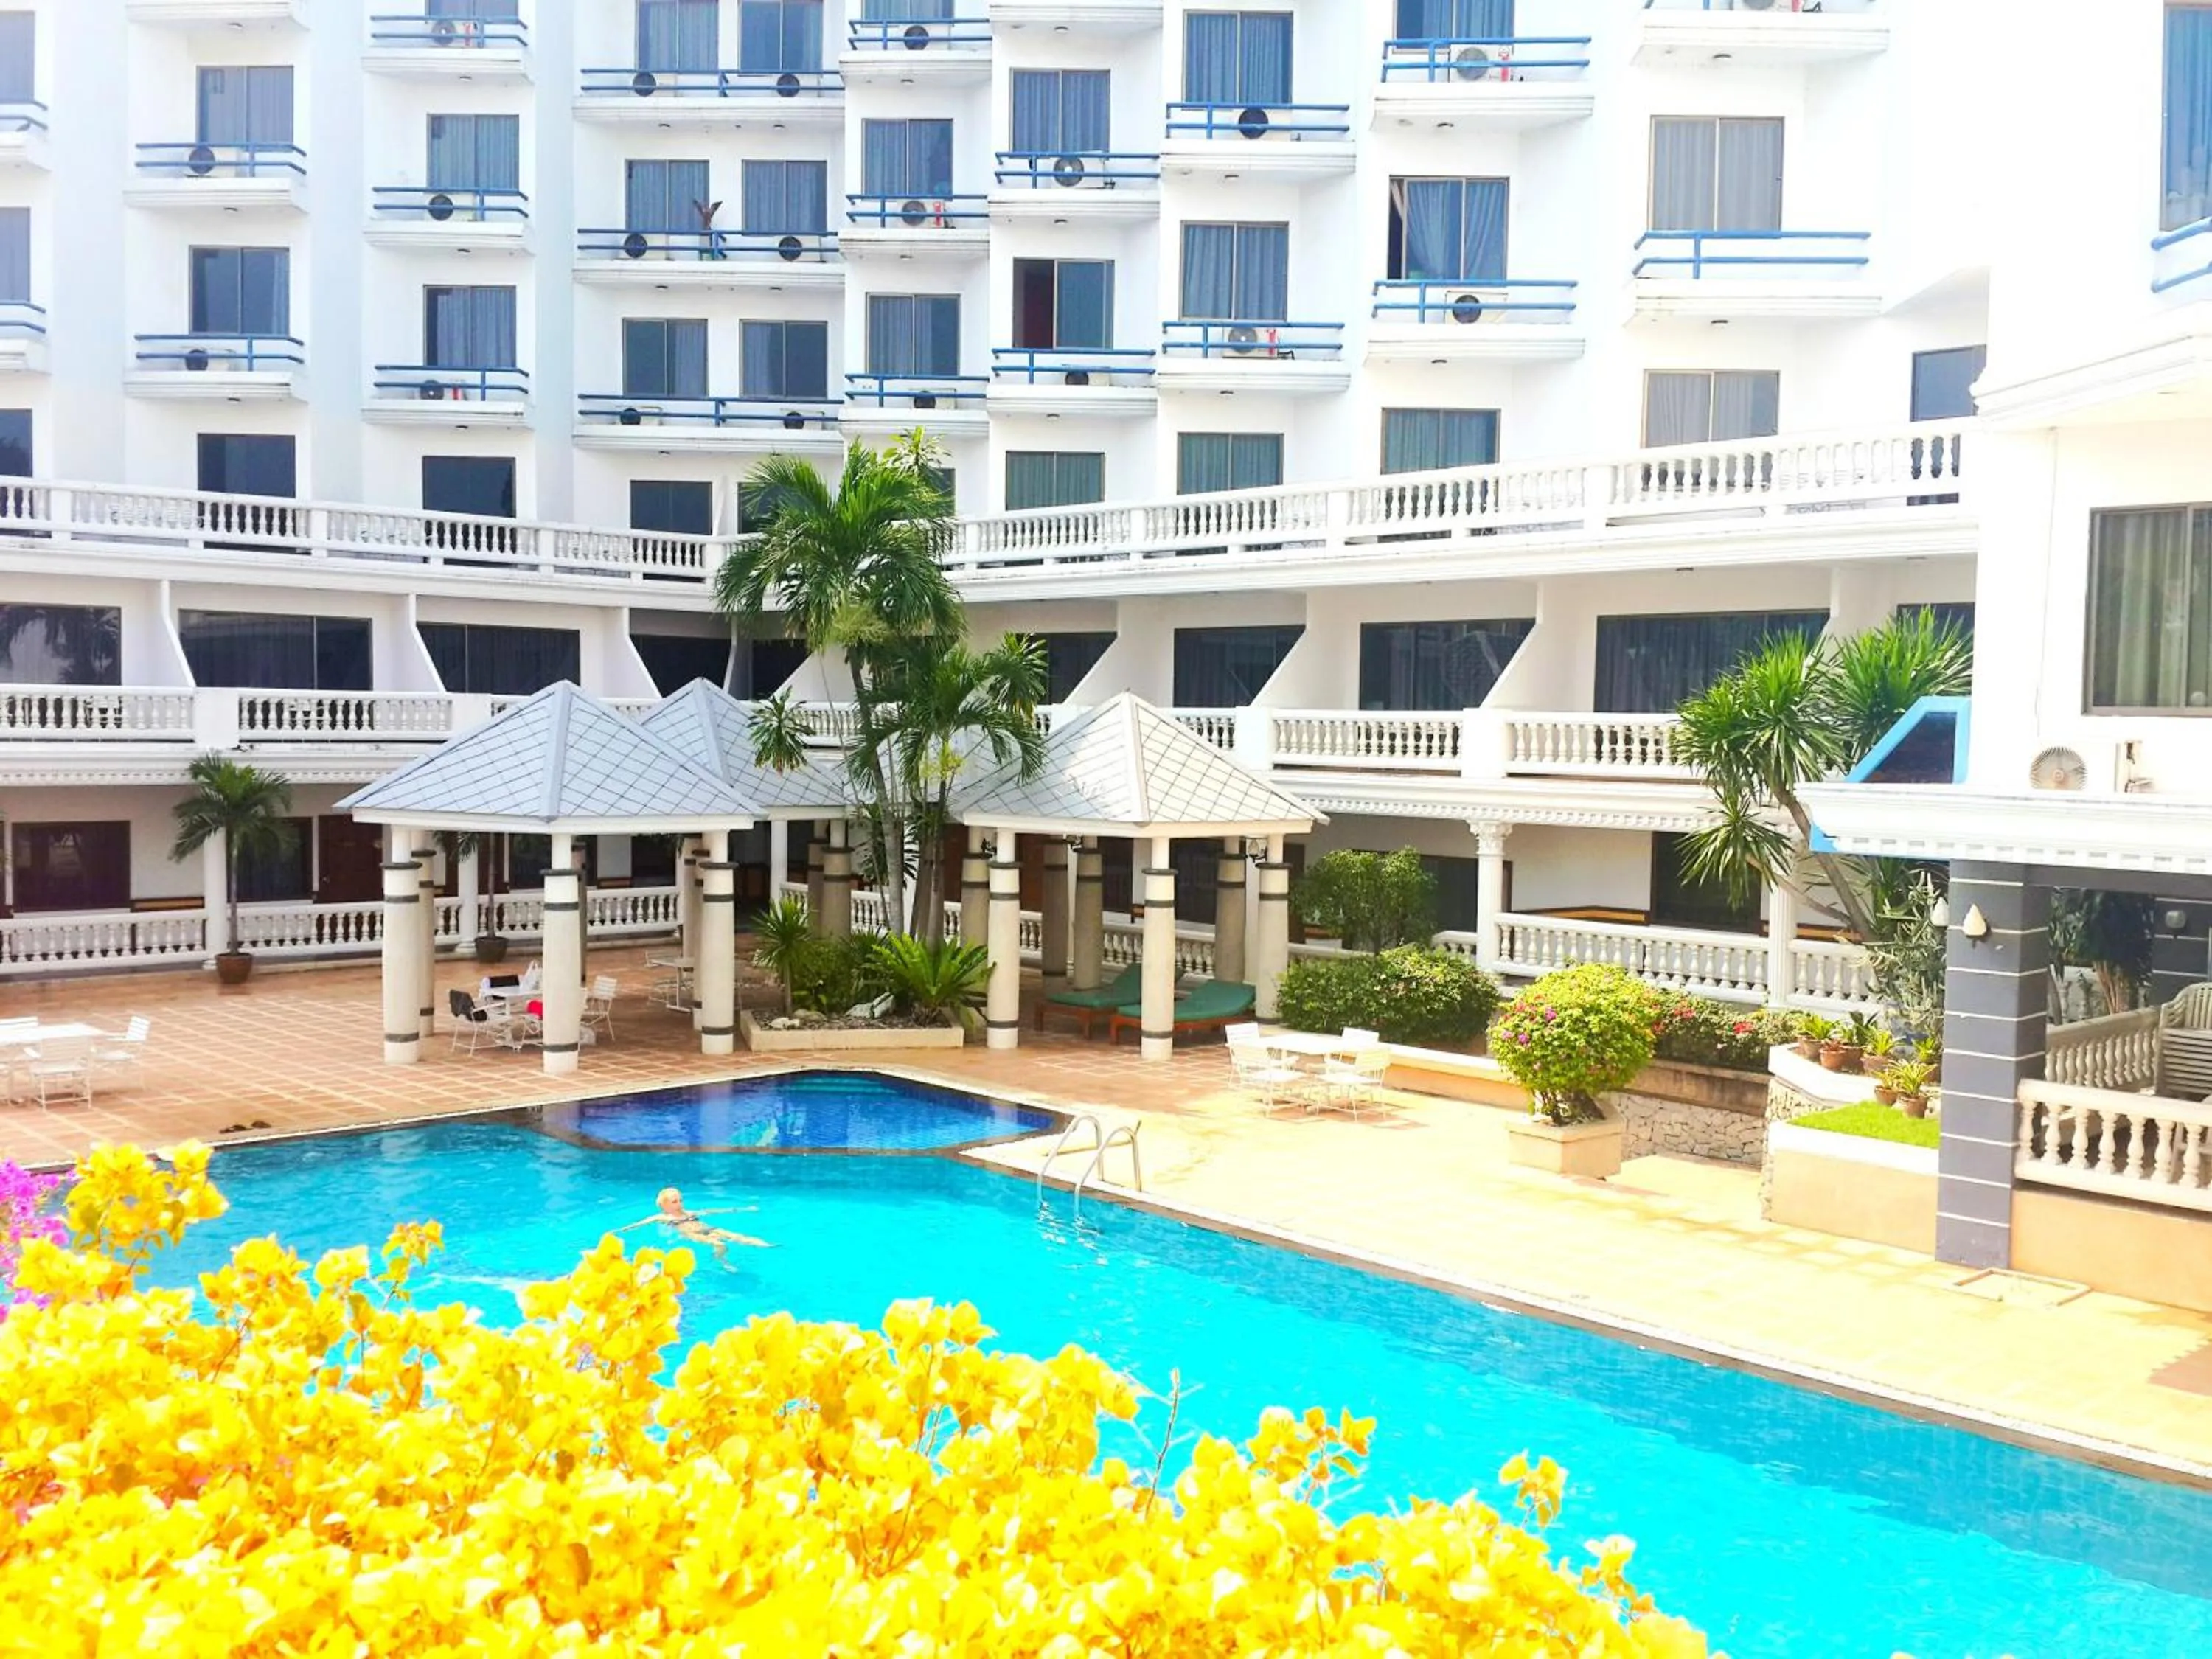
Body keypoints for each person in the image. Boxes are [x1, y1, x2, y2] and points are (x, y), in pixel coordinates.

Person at [618, 1186, 769, 1268]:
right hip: (691, 1234)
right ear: (664, 1206)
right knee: (719, 1244)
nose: (680, 1204)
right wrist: (622, 1230)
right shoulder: (663, 1217)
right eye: (675, 1202)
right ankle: (722, 1261)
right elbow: (642, 1223)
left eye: (680, 1200)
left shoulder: (689, 1212)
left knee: (735, 1236)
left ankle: (764, 1245)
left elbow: (712, 1211)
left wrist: (741, 1209)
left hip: (708, 1228)